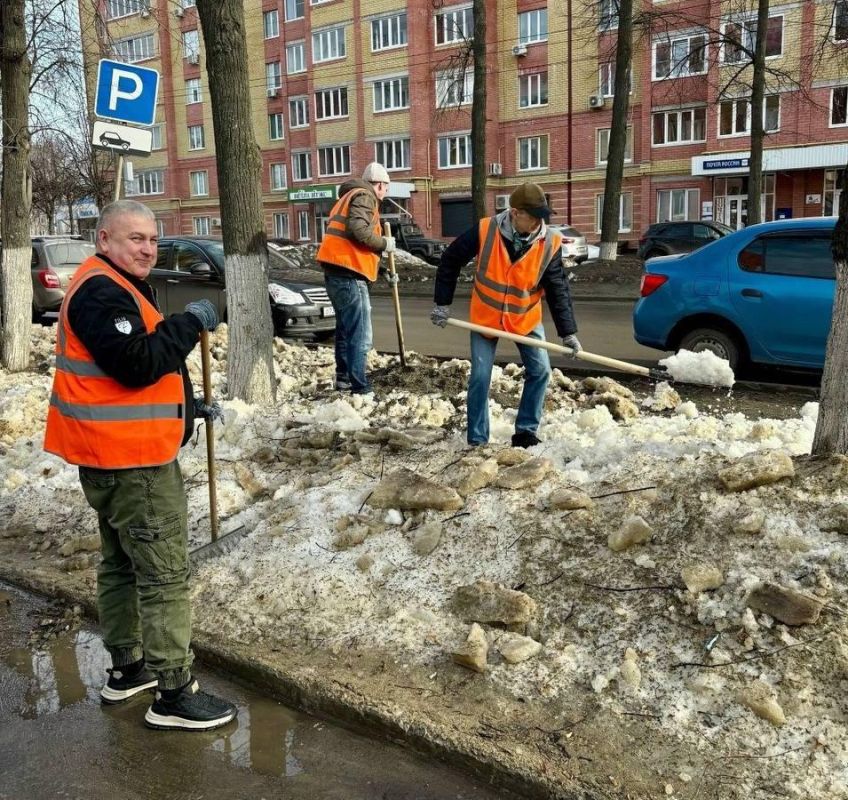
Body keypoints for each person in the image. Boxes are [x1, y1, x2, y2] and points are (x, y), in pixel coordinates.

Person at [43, 199, 237, 732]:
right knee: (165, 575)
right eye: (135, 239)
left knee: (122, 564)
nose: (147, 248)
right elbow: (138, 363)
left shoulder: (110, 285)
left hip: (112, 454)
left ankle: (128, 670)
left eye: (152, 239)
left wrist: (186, 408)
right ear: (103, 239)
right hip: (135, 466)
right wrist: (188, 322)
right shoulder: (102, 292)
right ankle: (174, 692)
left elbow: (127, 375)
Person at [431, 182, 581, 448]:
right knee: (480, 376)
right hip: (486, 317)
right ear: (514, 212)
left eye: (541, 218)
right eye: (532, 217)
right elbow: (450, 260)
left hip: (525, 317)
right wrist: (443, 303)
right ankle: (477, 439)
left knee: (541, 370)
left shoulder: (550, 242)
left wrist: (568, 333)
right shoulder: (485, 229)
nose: (538, 224)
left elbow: (558, 288)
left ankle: (525, 431)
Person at [317, 161, 397, 395]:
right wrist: (385, 243)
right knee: (360, 333)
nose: (385, 193)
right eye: (386, 187)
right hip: (349, 276)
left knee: (345, 330)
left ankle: (344, 380)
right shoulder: (365, 196)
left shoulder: (347, 197)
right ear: (379, 185)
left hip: (338, 272)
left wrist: (383, 272)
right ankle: (360, 387)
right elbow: (358, 231)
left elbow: (356, 246)